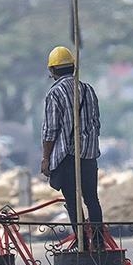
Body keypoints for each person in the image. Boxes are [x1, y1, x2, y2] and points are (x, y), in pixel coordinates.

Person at [40, 46, 104, 249]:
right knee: (92, 200)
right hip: (89, 156)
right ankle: (100, 243)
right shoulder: (88, 90)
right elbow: (96, 122)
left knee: (73, 202)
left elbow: (50, 131)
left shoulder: (55, 94)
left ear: (52, 71)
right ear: (73, 67)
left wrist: (46, 158)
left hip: (67, 157)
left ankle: (83, 243)